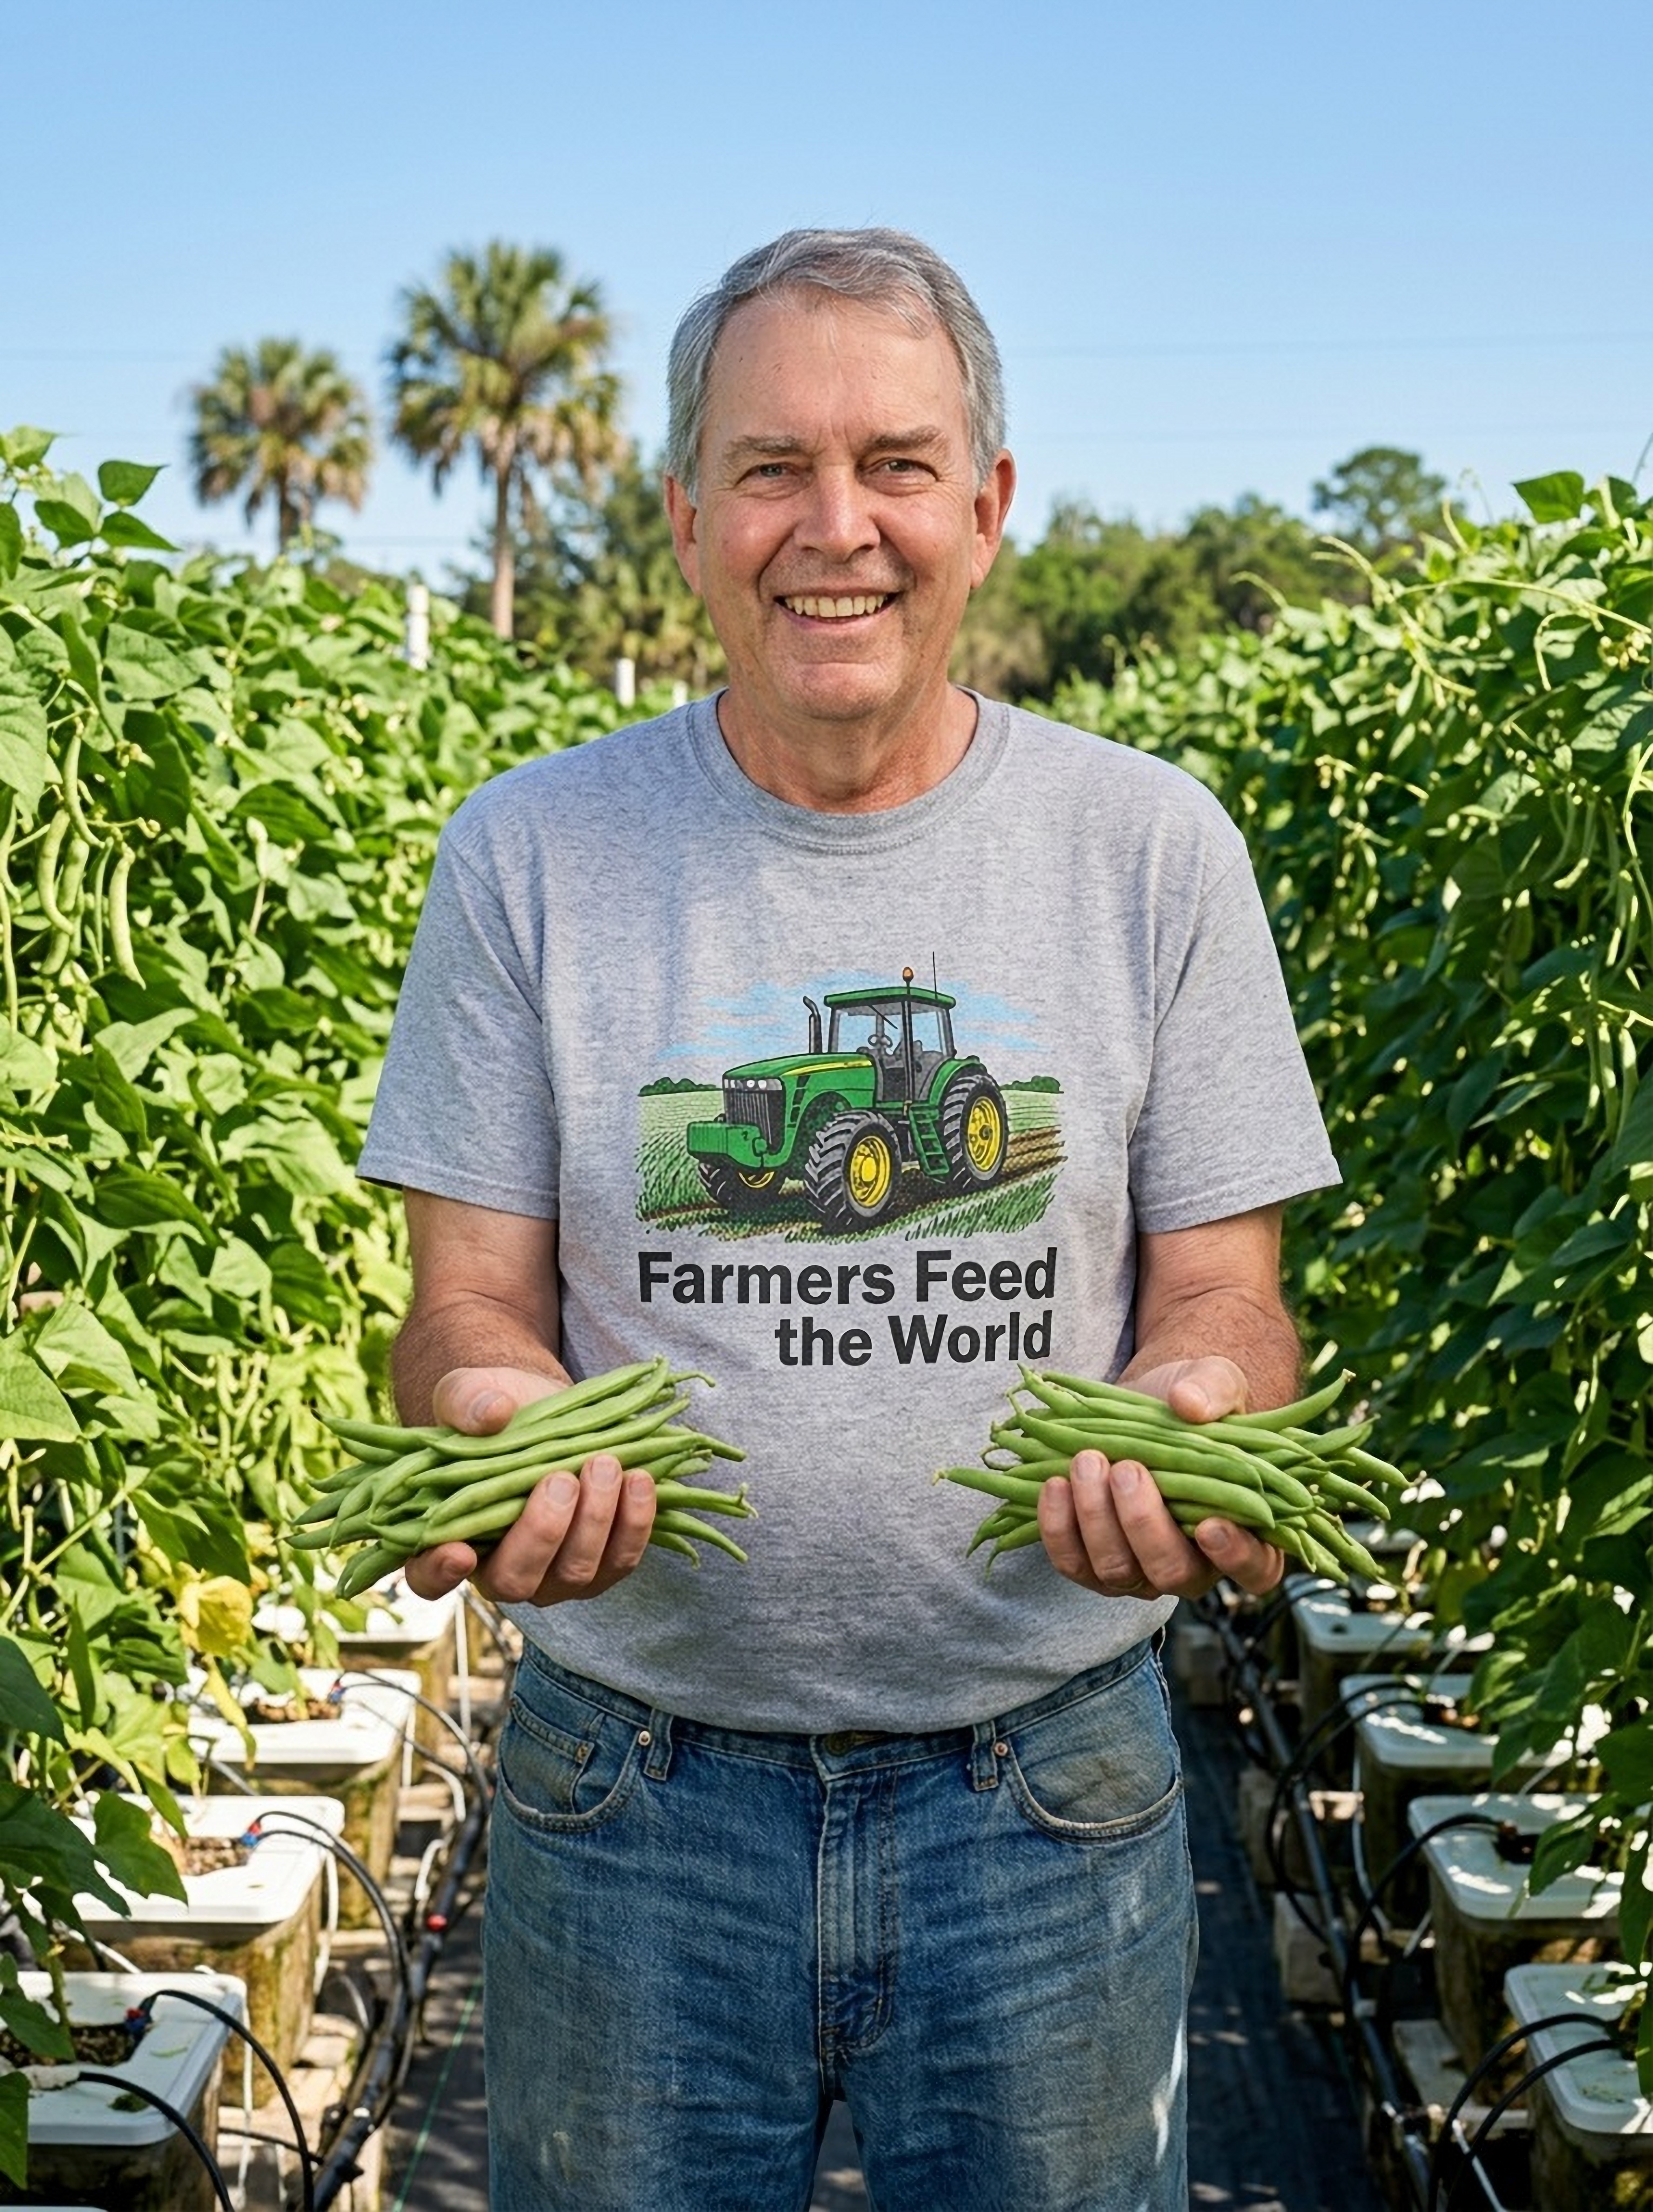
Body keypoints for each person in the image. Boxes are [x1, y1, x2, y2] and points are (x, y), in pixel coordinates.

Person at [358, 226, 1340, 2211]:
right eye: (769, 468)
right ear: (683, 515)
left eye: (895, 464)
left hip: (1044, 1794)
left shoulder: (1149, 849)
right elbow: (465, 1305)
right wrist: (491, 1413)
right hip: (626, 1801)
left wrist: (1198, 1407)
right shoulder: (530, 852)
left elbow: (1229, 1296)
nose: (837, 527)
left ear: (984, 508)